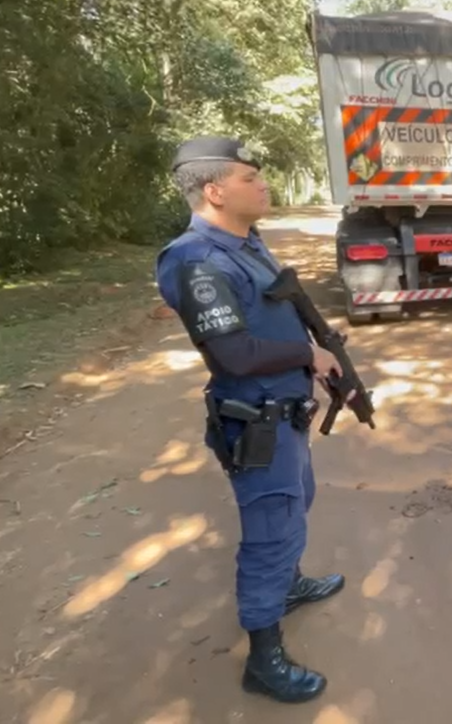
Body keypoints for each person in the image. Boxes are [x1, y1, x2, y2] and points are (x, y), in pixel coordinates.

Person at [155, 137, 344, 703]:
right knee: (269, 532)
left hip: (285, 412)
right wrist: (308, 356)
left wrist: (314, 356)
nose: (262, 184)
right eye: (248, 177)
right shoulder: (196, 259)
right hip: (255, 423)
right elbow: (233, 356)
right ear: (214, 190)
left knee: (296, 502)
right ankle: (264, 660)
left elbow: (275, 317)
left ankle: (287, 586)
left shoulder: (247, 244)